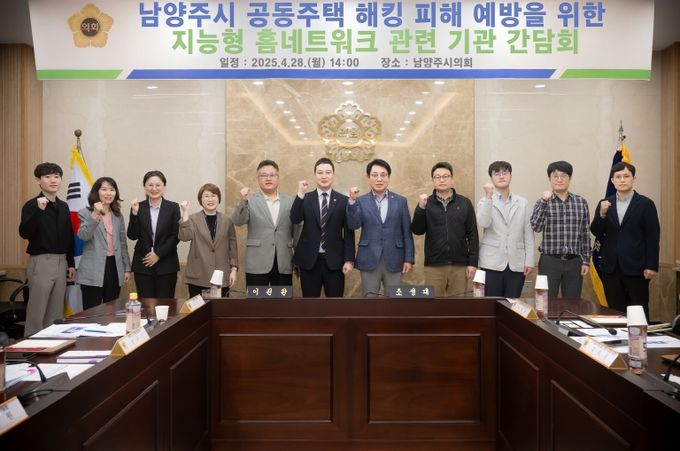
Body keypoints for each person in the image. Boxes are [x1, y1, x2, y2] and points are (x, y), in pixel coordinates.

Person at [590, 162, 659, 319]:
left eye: (626, 176)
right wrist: (601, 214)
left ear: (633, 178)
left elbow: (653, 236)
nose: (622, 180)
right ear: (612, 180)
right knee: (615, 312)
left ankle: (640, 336)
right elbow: (596, 231)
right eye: (618, 177)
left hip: (637, 268)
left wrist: (651, 265)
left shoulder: (645, 204)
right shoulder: (605, 203)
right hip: (611, 268)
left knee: (639, 311)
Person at [18, 162, 76, 336]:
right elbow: (24, 233)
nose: (53, 180)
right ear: (38, 180)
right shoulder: (32, 205)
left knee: (55, 312)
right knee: (37, 310)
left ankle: (51, 347)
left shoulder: (64, 206)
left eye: (56, 176)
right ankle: (30, 348)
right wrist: (38, 211)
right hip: (42, 261)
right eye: (47, 176)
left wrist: (71, 263)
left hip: (61, 262)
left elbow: (68, 236)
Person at [347, 158, 414, 296]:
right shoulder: (361, 201)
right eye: (374, 175)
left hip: (395, 258)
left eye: (383, 175)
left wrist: (409, 259)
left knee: (395, 300)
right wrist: (352, 202)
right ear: (368, 178)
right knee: (370, 300)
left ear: (388, 177)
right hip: (369, 257)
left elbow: (406, 232)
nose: (379, 179)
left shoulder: (401, 201)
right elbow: (353, 225)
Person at [411, 161, 479, 297]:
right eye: (437, 177)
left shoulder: (464, 203)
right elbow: (417, 230)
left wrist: (472, 263)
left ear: (452, 179)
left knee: (458, 304)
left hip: (460, 266)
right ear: (433, 180)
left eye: (445, 176)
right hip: (434, 266)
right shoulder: (427, 203)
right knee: (433, 305)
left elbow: (472, 234)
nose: (441, 180)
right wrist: (421, 208)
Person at [290, 157, 355, 297]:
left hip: (335, 262)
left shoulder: (343, 201)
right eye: (320, 173)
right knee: (310, 305)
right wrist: (300, 193)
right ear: (315, 175)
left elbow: (349, 233)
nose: (324, 176)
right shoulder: (305, 198)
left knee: (335, 304)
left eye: (328, 172)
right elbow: (294, 218)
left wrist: (349, 260)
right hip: (309, 261)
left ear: (333, 175)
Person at [530, 161, 591, 299]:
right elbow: (536, 227)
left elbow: (585, 233)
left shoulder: (581, 202)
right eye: (555, 176)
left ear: (570, 178)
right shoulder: (542, 201)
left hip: (574, 261)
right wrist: (545, 202)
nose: (559, 179)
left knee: (572, 303)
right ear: (549, 179)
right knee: (545, 301)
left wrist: (586, 260)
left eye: (563, 176)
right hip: (549, 261)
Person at [232, 160, 296, 286]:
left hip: (283, 261)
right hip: (257, 261)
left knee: (282, 298)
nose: (268, 178)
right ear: (258, 179)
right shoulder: (250, 200)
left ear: (278, 178)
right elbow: (237, 221)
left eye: (272, 175)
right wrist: (243, 202)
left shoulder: (290, 201)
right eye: (264, 175)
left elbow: (297, 230)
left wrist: (298, 258)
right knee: (257, 298)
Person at [476, 161, 534, 298]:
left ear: (511, 176)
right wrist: (488, 197)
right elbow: (483, 223)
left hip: (516, 262)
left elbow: (528, 233)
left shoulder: (523, 202)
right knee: (492, 304)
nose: (501, 176)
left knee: (512, 304)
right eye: (497, 173)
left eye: (505, 173)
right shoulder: (484, 201)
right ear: (491, 178)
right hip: (491, 262)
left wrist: (529, 261)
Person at [76, 177, 131, 310]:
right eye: (104, 189)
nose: (108, 193)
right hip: (92, 269)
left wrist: (127, 268)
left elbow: (122, 243)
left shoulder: (117, 215)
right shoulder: (85, 213)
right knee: (91, 312)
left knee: (111, 311)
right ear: (97, 192)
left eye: (112, 190)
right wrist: (95, 214)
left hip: (114, 267)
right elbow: (83, 236)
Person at [127, 170, 180, 298]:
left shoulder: (173, 207)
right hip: (143, 265)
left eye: (158, 185)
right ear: (144, 187)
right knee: (146, 305)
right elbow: (132, 235)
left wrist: (158, 254)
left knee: (165, 304)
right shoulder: (138, 207)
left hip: (167, 265)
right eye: (150, 185)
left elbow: (176, 236)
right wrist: (135, 214)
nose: (154, 188)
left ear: (164, 186)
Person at [178, 183, 238, 297]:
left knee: (220, 307)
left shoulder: (227, 221)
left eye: (213, 196)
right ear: (201, 200)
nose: (210, 199)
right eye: (206, 196)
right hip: (198, 276)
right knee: (198, 307)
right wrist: (185, 212)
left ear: (219, 199)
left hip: (221, 275)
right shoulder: (192, 219)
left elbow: (233, 247)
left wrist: (234, 270)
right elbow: (185, 237)